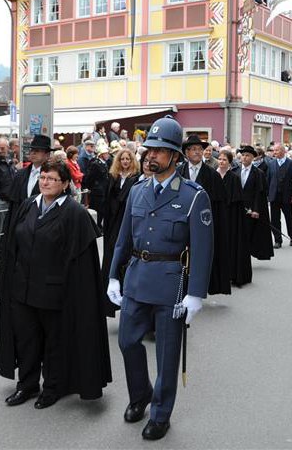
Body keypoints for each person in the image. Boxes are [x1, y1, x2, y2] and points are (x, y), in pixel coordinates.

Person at [107, 116, 213, 440]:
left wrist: (195, 294)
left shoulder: (194, 196)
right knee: (126, 342)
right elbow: (122, 239)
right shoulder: (138, 191)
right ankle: (140, 395)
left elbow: (204, 248)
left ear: (175, 157)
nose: (151, 155)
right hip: (137, 280)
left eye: (160, 151)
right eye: (149, 149)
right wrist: (113, 276)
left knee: (167, 356)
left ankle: (161, 414)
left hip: (171, 286)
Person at [0, 161, 111, 409]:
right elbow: (13, 245)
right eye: (43, 177)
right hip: (22, 290)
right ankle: (26, 386)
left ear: (66, 184)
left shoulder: (74, 213)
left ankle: (52, 388)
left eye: (51, 179)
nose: (45, 182)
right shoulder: (28, 205)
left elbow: (82, 263)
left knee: (53, 345)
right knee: (26, 342)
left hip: (54, 293)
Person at [179, 135, 231, 296]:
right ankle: (182, 287)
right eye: (193, 149)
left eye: (199, 149)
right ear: (186, 152)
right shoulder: (178, 172)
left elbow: (219, 204)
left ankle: (199, 288)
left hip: (203, 223)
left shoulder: (212, 175)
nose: (197, 152)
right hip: (181, 222)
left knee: (201, 256)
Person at [102, 148, 139, 316]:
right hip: (112, 224)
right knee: (111, 260)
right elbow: (107, 200)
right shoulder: (113, 177)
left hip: (127, 222)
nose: (125, 161)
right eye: (122, 159)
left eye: (128, 159)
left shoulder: (136, 179)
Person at [216, 150, 251, 286]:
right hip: (216, 216)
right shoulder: (213, 175)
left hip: (230, 218)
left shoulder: (234, 178)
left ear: (229, 162)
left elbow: (237, 200)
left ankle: (232, 274)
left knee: (231, 245)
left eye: (224, 159)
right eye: (219, 159)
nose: (221, 161)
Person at [233, 146, 274, 260]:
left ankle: (245, 256)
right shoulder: (234, 171)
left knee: (248, 233)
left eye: (248, 156)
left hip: (250, 209)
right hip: (237, 208)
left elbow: (259, 194)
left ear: (253, 158)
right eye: (243, 155)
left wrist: (256, 209)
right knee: (237, 233)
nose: (245, 158)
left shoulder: (258, 173)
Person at [266, 143, 292, 248]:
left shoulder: (290, 163)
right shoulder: (271, 164)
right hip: (274, 196)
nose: (274, 152)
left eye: (276, 150)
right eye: (274, 150)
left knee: (290, 218)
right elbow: (268, 179)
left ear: (282, 151)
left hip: (287, 197)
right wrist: (268, 194)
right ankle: (278, 240)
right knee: (275, 220)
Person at [83, 142, 110, 231]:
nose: (107, 155)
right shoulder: (95, 164)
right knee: (97, 209)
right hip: (97, 191)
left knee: (102, 210)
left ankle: (99, 225)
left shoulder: (104, 163)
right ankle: (96, 226)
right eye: (105, 153)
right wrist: (92, 187)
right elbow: (90, 177)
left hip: (103, 190)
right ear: (101, 154)